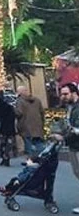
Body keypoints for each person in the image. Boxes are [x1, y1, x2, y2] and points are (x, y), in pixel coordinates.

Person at [51, 82, 79, 215]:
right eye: (62, 94)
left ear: (74, 93)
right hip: (74, 146)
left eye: (66, 94)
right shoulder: (71, 107)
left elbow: (76, 130)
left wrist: (64, 138)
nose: (63, 97)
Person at [15, 85, 46, 158]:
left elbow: (19, 113)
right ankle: (43, 156)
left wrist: (13, 110)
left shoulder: (20, 101)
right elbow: (42, 112)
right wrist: (42, 123)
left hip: (25, 126)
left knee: (28, 143)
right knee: (38, 142)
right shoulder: (37, 100)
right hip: (37, 125)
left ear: (20, 92)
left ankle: (31, 159)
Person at [0, 90, 17, 167]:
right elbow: (12, 117)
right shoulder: (8, 106)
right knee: (8, 143)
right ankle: (7, 157)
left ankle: (2, 157)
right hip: (8, 128)